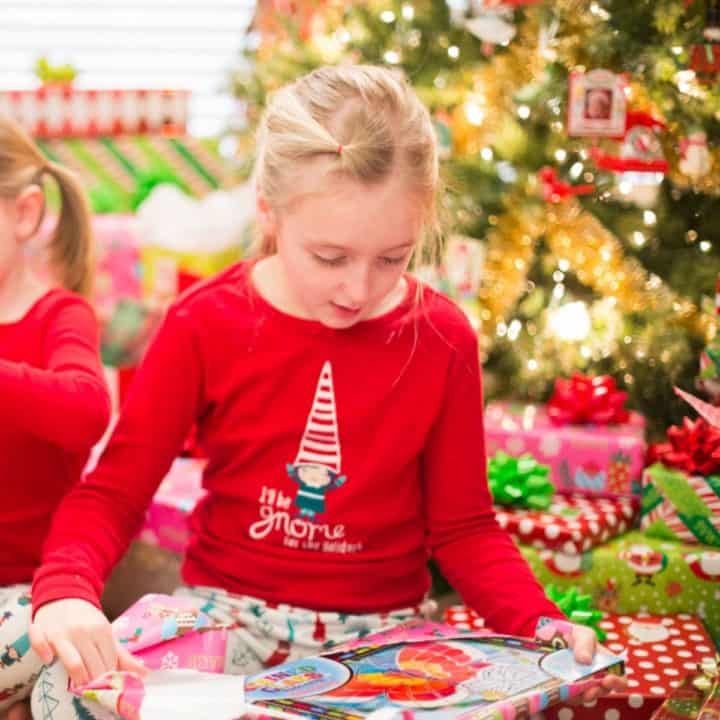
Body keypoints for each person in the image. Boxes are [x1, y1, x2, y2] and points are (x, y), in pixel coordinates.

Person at [29, 65, 624, 719]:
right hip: (228, 622)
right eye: (330, 257)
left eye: (393, 257)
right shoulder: (204, 321)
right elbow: (114, 492)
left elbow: (466, 528)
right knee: (67, 697)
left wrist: (539, 622)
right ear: (268, 211)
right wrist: (67, 591)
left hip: (382, 644)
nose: (358, 289)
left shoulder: (444, 338)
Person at [0, 116, 111, 719]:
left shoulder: (59, 316)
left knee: (65, 666)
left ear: (23, 214)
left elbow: (85, 410)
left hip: (30, 596)